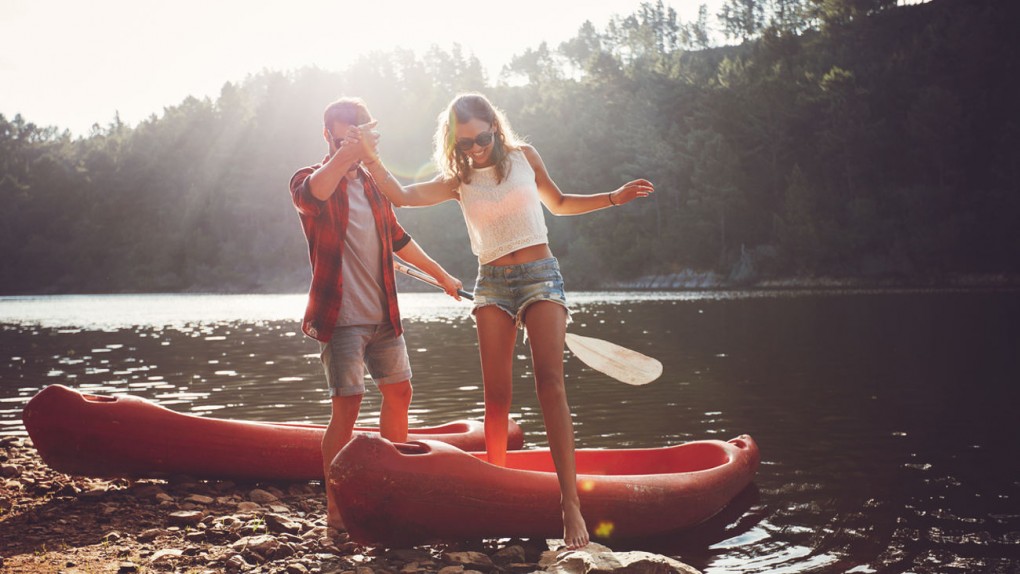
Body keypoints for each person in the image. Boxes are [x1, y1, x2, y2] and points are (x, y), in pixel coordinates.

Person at [350, 93, 654, 549]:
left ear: (495, 125)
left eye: (481, 138)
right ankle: (496, 491)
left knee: (550, 383)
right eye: (464, 142)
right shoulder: (459, 179)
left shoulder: (524, 158)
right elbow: (403, 196)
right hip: (491, 282)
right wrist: (369, 157)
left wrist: (613, 197)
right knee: (496, 398)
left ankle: (570, 504)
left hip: (540, 276)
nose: (474, 148)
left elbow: (561, 202)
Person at [288, 97, 462, 531]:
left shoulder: (372, 185)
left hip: (383, 314)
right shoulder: (309, 179)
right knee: (347, 404)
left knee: (400, 393)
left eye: (360, 132)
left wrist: (441, 275)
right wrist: (351, 149)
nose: (354, 141)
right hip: (340, 316)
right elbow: (314, 196)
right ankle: (335, 504)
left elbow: (399, 238)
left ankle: (392, 485)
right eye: (345, 133)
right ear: (328, 135)